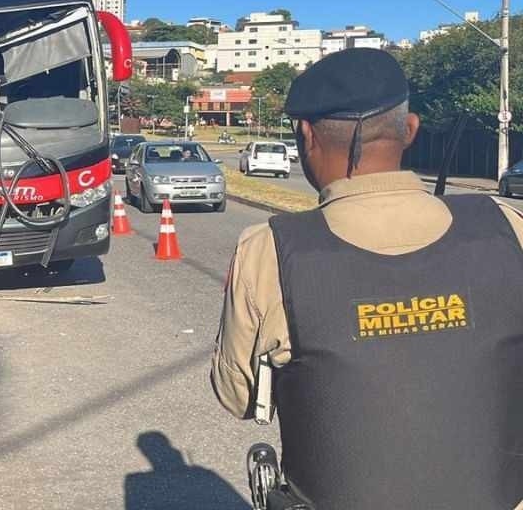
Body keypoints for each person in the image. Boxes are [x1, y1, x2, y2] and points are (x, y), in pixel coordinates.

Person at [211, 49, 523, 510]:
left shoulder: (269, 250)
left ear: (306, 136)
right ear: (411, 129)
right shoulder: (508, 228)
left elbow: (238, 397)